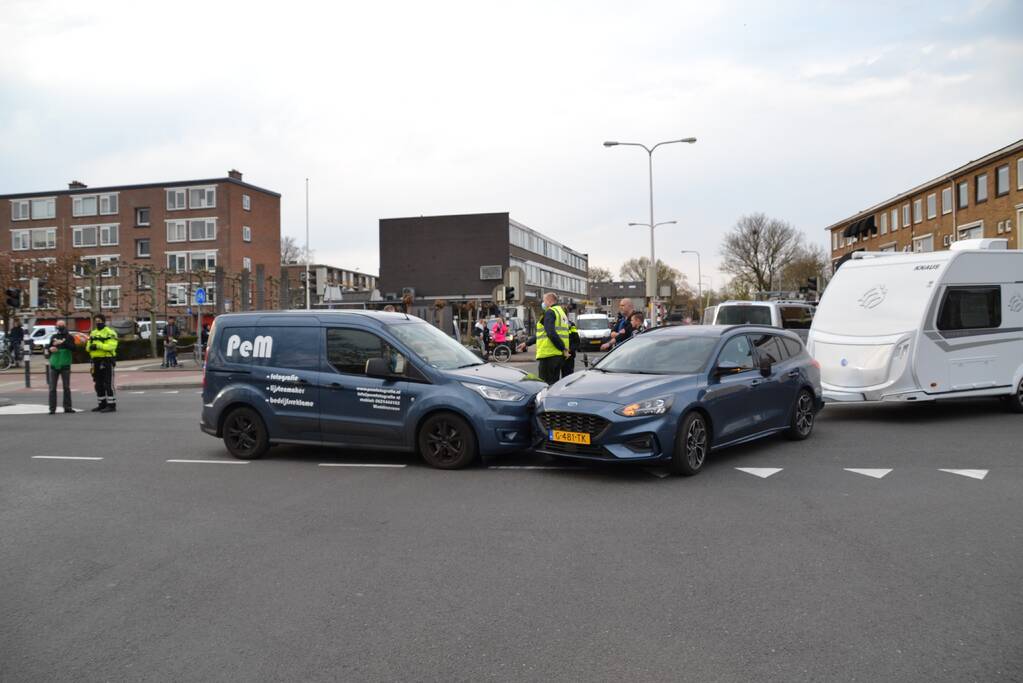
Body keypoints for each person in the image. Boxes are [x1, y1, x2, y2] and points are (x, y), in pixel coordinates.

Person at [517, 292, 571, 385]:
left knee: (545, 385)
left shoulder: (550, 312)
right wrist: (526, 343)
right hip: (558, 355)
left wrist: (563, 348)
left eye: (544, 300)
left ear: (549, 301)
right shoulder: (561, 313)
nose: (543, 303)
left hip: (549, 355)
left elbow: (551, 333)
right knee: (554, 384)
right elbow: (542, 334)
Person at [87, 313, 119, 412]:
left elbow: (111, 346)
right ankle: (102, 404)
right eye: (96, 322)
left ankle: (111, 405)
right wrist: (90, 347)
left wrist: (98, 346)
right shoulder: (93, 333)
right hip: (95, 361)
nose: (98, 323)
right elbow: (87, 347)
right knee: (98, 384)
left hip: (106, 360)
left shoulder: (110, 332)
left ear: (104, 321)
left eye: (99, 321)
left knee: (108, 384)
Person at [46, 320, 75, 414]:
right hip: (54, 364)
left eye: (62, 326)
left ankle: (67, 407)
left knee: (66, 387)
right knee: (52, 388)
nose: (60, 327)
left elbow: (73, 348)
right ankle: (52, 409)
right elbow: (48, 348)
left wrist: (63, 343)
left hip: (65, 364)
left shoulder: (69, 337)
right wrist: (50, 349)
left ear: (65, 326)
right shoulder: (53, 337)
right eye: (58, 326)